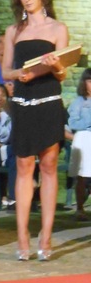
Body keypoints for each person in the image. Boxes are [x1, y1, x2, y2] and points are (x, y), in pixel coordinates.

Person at [2, 0, 69, 261]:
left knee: (50, 165)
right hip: (23, 102)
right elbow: (6, 70)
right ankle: (22, 237)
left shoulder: (58, 29)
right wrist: (19, 73)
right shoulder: (13, 31)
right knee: (23, 165)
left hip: (49, 101)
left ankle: (46, 235)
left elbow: (63, 74)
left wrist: (56, 65)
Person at [66, 68, 91, 220]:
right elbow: (73, 123)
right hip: (84, 138)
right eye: (89, 81)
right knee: (81, 176)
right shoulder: (78, 102)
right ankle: (80, 208)